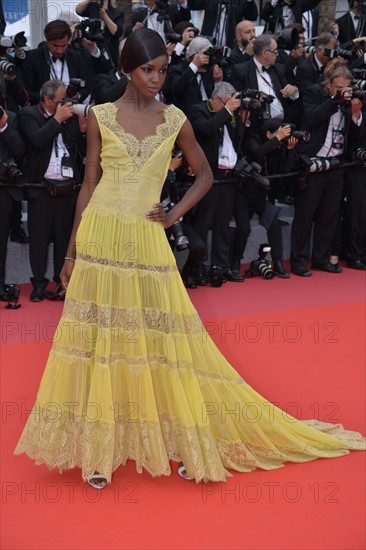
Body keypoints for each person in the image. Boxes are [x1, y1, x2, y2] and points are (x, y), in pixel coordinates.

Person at [14, 29, 365, 488]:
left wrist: (173, 213)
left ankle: (179, 436)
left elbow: (202, 175)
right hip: (100, 237)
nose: (157, 78)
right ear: (127, 69)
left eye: (162, 69)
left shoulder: (175, 117)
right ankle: (98, 449)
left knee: (163, 341)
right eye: (147, 70)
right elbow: (89, 183)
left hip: (145, 238)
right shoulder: (99, 116)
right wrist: (73, 248)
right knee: (102, 342)